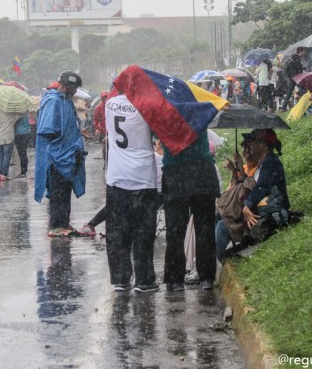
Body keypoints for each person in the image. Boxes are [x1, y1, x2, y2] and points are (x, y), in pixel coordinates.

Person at [104, 87, 159, 293]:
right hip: (142, 178)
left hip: (116, 178)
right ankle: (144, 280)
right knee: (143, 231)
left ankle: (121, 279)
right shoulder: (146, 105)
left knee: (118, 231)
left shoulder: (110, 104)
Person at [162, 130, 220, 292]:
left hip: (175, 173)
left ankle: (175, 280)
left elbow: (157, 134)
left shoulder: (163, 112)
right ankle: (206, 278)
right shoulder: (200, 108)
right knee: (204, 229)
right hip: (202, 172)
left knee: (175, 231)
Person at [34, 71, 87, 238]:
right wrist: (63, 144)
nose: (74, 91)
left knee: (65, 190)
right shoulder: (52, 101)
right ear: (65, 86)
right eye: (72, 88)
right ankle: (56, 225)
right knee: (58, 192)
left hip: (69, 155)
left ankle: (64, 223)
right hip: (56, 157)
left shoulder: (67, 101)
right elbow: (47, 130)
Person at [215, 132, 259, 261]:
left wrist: (238, 168)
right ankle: (203, 259)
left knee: (221, 225)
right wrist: (235, 170)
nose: (246, 152)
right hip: (233, 209)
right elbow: (231, 189)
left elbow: (247, 190)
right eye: (244, 148)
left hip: (242, 214)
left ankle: (211, 261)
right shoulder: (244, 168)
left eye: (249, 148)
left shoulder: (257, 169)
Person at [241, 129, 290, 240]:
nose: (250, 144)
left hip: (273, 209)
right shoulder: (262, 162)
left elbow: (262, 186)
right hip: (262, 209)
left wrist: (247, 206)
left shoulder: (270, 162)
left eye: (252, 141)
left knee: (223, 227)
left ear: (262, 145)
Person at [0, 106, 21, 181]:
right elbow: (17, 117)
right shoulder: (9, 111)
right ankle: (4, 174)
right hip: (8, 137)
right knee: (7, 155)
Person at [13, 114, 31, 179]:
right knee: (24, 153)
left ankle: (23, 172)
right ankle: (24, 171)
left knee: (21, 154)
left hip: (20, 134)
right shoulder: (26, 112)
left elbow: (14, 121)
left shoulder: (19, 113)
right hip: (27, 133)